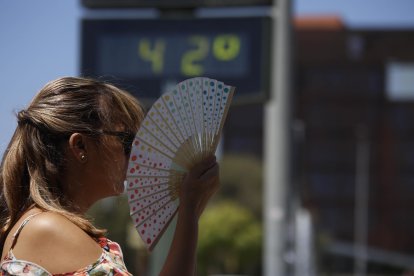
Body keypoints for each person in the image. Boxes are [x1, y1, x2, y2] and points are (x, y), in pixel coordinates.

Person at [0, 77, 220, 275]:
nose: (136, 153)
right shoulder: (47, 228)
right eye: (126, 141)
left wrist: (191, 209)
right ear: (80, 146)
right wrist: (189, 211)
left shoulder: (45, 225)